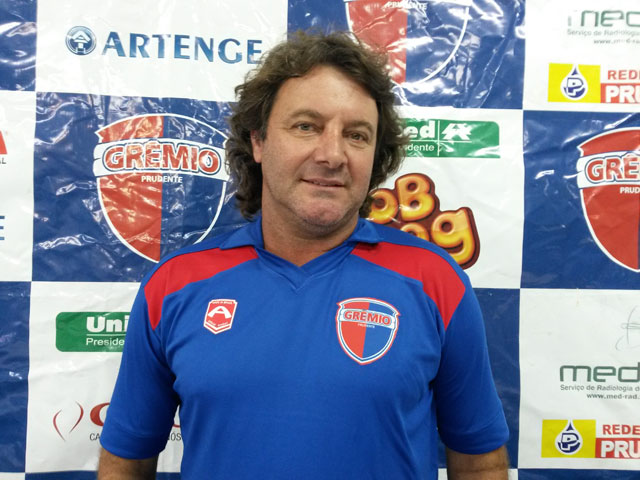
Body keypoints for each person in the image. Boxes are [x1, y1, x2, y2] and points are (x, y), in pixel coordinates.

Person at [98, 31, 509, 479]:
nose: (332, 154)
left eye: (356, 135)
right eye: (306, 126)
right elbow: (125, 464)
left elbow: (479, 465)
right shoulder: (175, 285)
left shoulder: (434, 280)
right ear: (258, 141)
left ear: (376, 156)